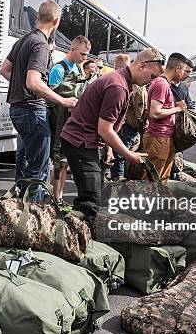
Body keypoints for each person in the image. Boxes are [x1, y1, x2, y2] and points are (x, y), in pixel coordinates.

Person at [60, 48, 164, 223]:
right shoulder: (118, 86)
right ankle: (81, 240)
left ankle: (77, 234)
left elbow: (106, 126)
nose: (151, 82)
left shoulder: (121, 81)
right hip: (80, 142)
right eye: (152, 77)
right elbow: (105, 129)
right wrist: (129, 155)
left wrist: (108, 151)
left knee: (93, 194)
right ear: (142, 66)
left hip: (86, 141)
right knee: (91, 200)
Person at [0, 0, 76, 199]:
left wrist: (22, 84)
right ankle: (33, 219)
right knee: (38, 171)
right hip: (32, 111)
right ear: (57, 21)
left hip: (17, 109)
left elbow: (4, 70)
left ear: (37, 17)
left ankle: (18, 209)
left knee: (24, 163)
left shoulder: (22, 40)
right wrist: (63, 100)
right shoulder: (41, 45)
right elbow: (34, 82)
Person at [47, 35, 91, 202]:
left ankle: (58, 195)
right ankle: (54, 198)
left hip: (71, 121)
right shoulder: (59, 69)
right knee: (58, 161)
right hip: (59, 120)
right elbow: (50, 96)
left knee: (64, 162)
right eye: (82, 54)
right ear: (72, 49)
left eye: (87, 55)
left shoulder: (78, 69)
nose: (84, 58)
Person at [143, 53, 188, 184]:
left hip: (164, 137)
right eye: (184, 70)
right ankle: (145, 203)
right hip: (159, 136)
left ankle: (155, 201)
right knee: (153, 178)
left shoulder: (163, 83)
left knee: (161, 177)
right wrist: (177, 109)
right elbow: (155, 112)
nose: (184, 74)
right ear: (177, 68)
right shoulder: (162, 84)